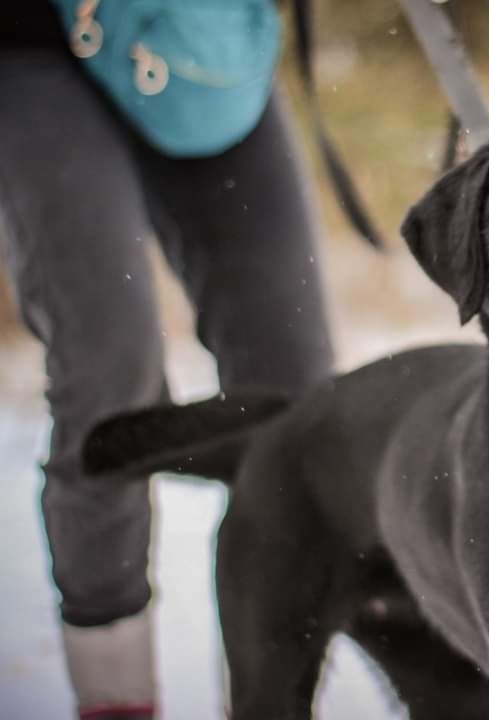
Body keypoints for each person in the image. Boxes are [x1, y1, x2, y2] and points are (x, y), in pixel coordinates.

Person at [0, 4, 336, 718]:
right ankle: (117, 700)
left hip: (191, 34)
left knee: (299, 393)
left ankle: (275, 697)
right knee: (110, 376)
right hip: (26, 44)